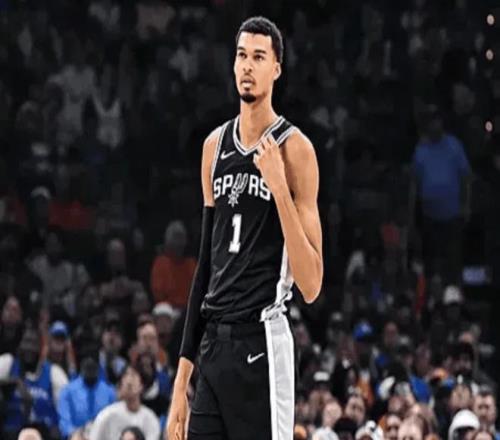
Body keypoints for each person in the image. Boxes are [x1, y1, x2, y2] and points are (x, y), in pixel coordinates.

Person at [167, 16, 323, 440]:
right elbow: (205, 268)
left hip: (262, 342)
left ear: (276, 68)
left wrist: (279, 189)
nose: (247, 66)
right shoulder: (213, 147)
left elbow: (311, 284)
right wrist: (181, 383)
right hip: (213, 347)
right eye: (241, 56)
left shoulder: (296, 149)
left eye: (258, 57)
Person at [0, 326, 68, 438]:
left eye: (34, 343)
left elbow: (66, 409)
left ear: (41, 348)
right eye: (26, 342)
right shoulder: (7, 363)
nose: (30, 348)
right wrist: (14, 382)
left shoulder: (54, 372)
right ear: (19, 344)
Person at [57, 342, 115, 440]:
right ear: (81, 365)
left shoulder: (110, 392)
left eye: (93, 366)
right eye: (87, 366)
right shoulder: (67, 391)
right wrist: (75, 434)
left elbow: (112, 422)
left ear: (98, 366)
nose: (90, 370)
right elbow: (64, 422)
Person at [89, 365, 160, 440]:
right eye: (125, 376)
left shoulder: (151, 419)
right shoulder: (106, 416)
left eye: (133, 375)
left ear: (141, 386)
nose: (129, 380)